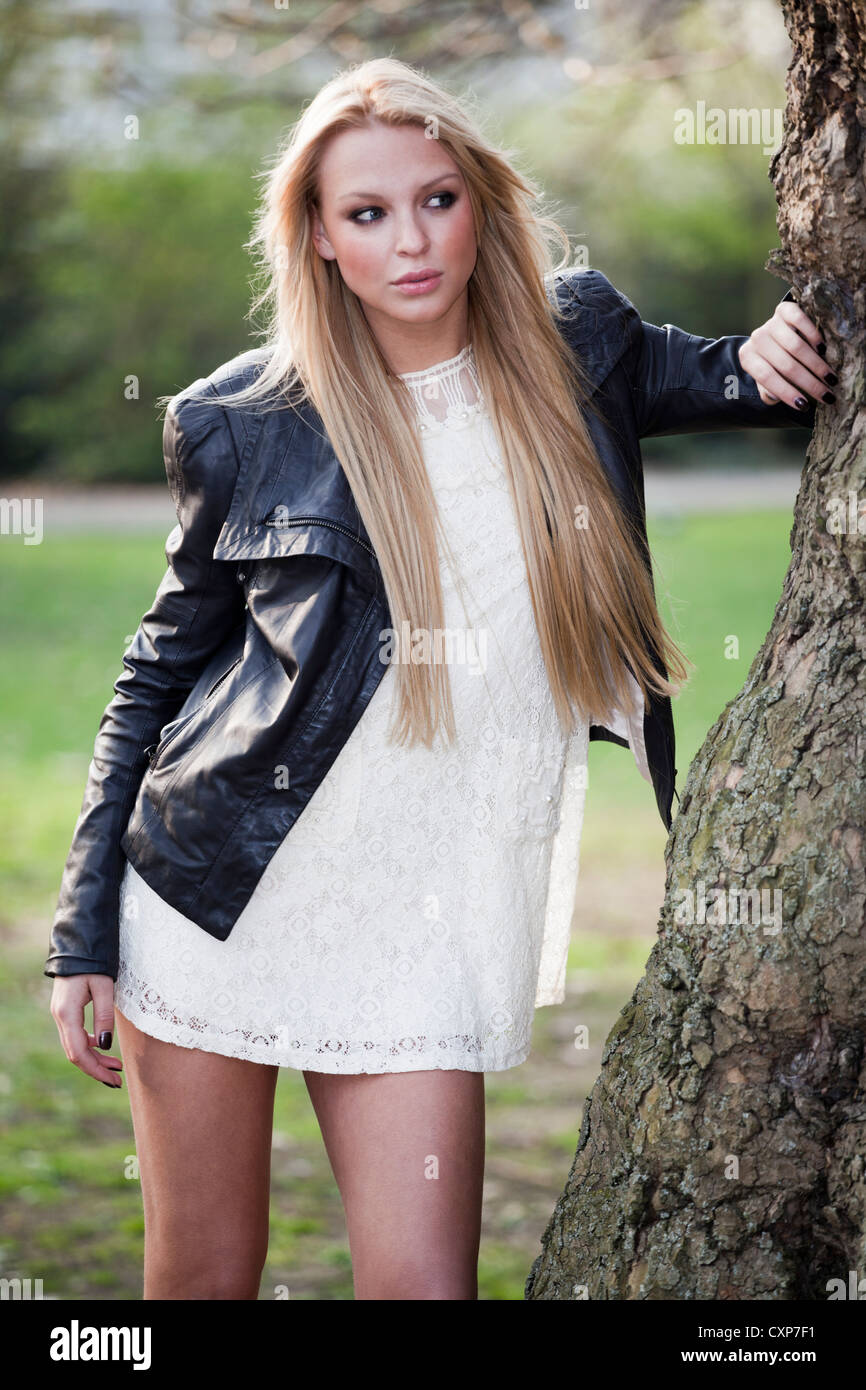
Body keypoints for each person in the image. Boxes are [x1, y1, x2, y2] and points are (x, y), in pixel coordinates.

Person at [45, 57, 832, 1301]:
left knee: (424, 1291)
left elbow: (752, 373)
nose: (410, 241)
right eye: (366, 213)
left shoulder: (581, 343)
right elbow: (156, 674)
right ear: (316, 237)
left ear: (481, 202)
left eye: (436, 199)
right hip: (210, 907)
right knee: (200, 1282)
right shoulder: (240, 420)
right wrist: (82, 929)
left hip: (421, 932)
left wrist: (796, 336)